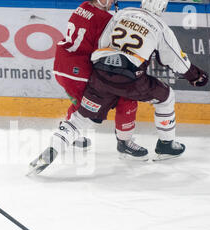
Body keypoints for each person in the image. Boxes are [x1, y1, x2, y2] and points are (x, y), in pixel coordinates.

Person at [29, 0, 208, 174]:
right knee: (166, 96)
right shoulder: (160, 27)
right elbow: (175, 60)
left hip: (100, 75)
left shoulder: (123, 13)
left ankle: (53, 147)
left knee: (81, 117)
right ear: (163, 7)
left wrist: (103, 68)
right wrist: (195, 76)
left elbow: (102, 43)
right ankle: (165, 145)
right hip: (131, 81)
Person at [52, 1, 146, 154]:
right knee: (118, 98)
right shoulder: (105, 19)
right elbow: (105, 48)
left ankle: (71, 133)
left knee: (81, 104)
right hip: (78, 72)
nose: (112, 2)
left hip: (61, 66)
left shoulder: (82, 7)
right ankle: (124, 141)